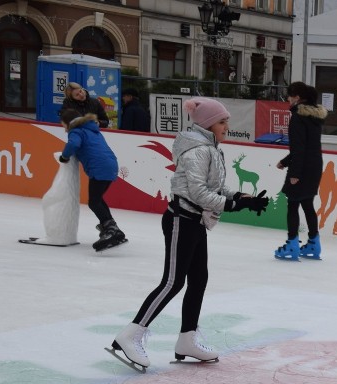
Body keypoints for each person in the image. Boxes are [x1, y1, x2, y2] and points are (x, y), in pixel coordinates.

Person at [111, 98, 269, 370]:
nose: (227, 126)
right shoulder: (197, 150)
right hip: (180, 220)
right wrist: (233, 205)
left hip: (196, 222)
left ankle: (187, 338)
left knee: (198, 280)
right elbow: (197, 193)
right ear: (208, 123)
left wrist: (244, 198)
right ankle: (130, 335)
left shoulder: (211, 149)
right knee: (172, 282)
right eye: (222, 121)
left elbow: (214, 186)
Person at [274, 82, 328, 261]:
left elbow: (299, 148)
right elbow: (308, 147)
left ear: (297, 97)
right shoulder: (314, 118)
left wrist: (295, 173)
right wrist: (285, 161)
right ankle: (314, 243)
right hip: (315, 167)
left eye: (289, 96)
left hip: (302, 168)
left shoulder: (298, 117)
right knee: (307, 204)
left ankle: (292, 244)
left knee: (293, 204)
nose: (288, 99)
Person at [58, 108, 124, 251]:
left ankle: (111, 230)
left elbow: (73, 144)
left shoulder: (76, 131)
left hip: (99, 168)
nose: (63, 128)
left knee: (94, 202)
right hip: (111, 165)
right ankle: (113, 229)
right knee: (98, 199)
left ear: (68, 123)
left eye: (63, 125)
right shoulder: (91, 129)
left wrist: (64, 156)